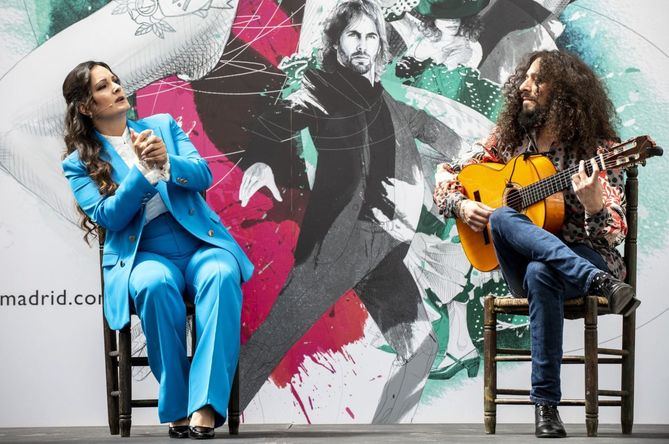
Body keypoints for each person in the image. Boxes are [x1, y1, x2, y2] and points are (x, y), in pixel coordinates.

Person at [237, 0, 465, 422]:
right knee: (273, 339)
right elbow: (280, 119)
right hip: (340, 242)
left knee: (421, 349)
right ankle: (211, 418)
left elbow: (433, 129)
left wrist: (481, 160)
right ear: (338, 43)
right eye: (353, 35)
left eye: (370, 36)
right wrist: (263, 158)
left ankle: (388, 433)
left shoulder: (386, 101)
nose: (362, 45)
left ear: (380, 45)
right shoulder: (325, 89)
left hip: (386, 245)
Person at [433, 50, 640, 438]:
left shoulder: (596, 150)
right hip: (561, 272)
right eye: (524, 79)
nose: (524, 87)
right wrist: (460, 204)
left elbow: (616, 230)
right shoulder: (508, 142)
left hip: (586, 256)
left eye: (536, 80)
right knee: (500, 215)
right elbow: (445, 172)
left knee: (542, 271)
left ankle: (545, 408)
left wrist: (595, 206)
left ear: (563, 92)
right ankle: (599, 285)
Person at [61, 61, 254, 439]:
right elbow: (109, 217)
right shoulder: (77, 164)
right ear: (85, 106)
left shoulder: (162, 125)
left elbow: (203, 176)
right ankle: (178, 405)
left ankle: (205, 406)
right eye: (103, 86)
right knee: (153, 284)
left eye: (116, 80)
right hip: (143, 252)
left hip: (200, 242)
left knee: (221, 273)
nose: (117, 87)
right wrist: (142, 173)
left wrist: (166, 161)